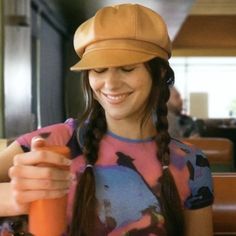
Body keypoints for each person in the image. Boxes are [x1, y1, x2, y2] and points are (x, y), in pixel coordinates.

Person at [0, 3, 213, 236]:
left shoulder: (191, 163)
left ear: (159, 73)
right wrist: (12, 198)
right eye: (99, 70)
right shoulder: (52, 142)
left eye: (127, 68)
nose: (110, 83)